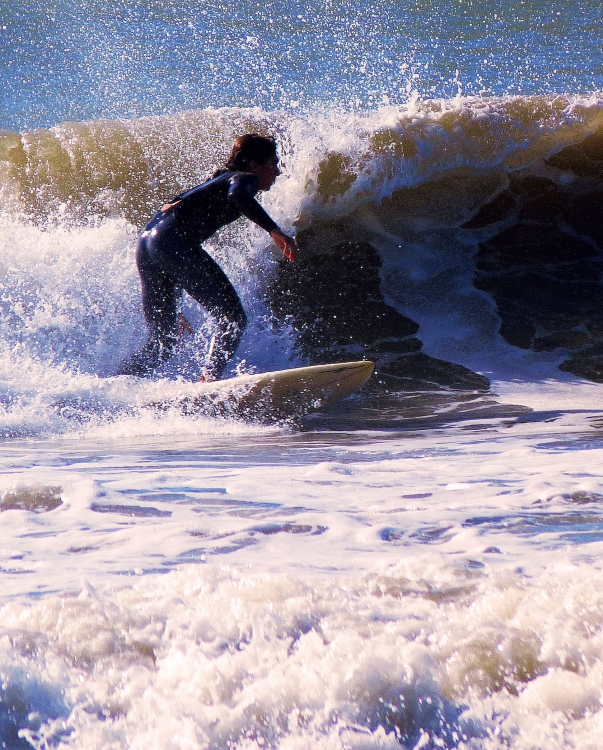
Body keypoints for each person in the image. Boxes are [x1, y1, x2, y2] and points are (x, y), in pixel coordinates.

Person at [117, 134, 296, 380]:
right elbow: (238, 195)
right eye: (273, 164)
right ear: (254, 165)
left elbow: (171, 245)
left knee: (162, 344)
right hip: (172, 241)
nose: (277, 172)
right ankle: (208, 381)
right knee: (233, 317)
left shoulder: (217, 179)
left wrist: (172, 302)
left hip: (148, 244)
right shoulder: (244, 179)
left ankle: (116, 384)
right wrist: (274, 231)